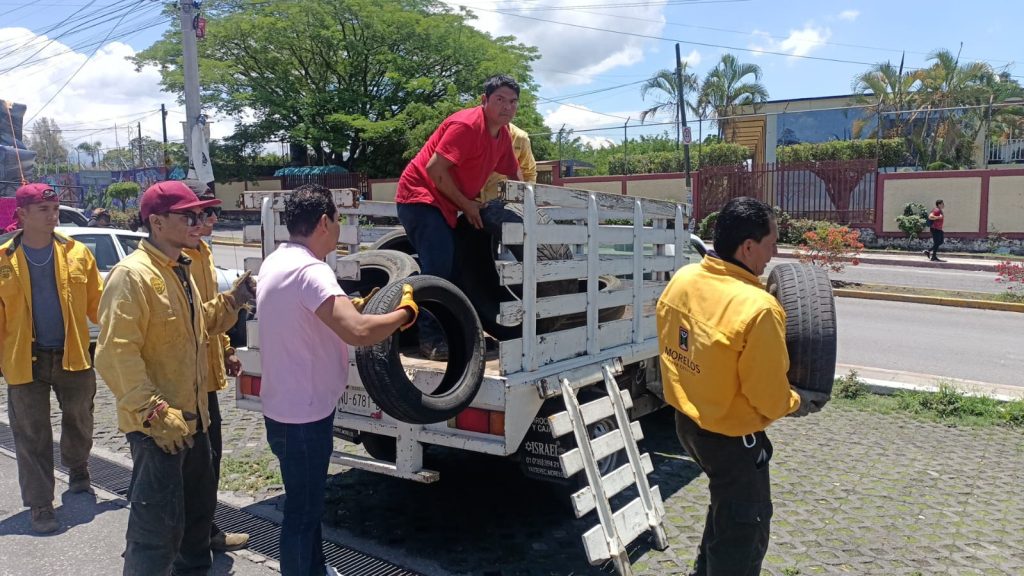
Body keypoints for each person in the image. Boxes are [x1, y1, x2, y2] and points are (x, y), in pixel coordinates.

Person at [656, 196, 828, 576]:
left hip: (687, 425)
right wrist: (798, 402)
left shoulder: (684, 279)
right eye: (772, 243)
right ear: (748, 247)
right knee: (744, 531)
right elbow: (767, 396)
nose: (774, 253)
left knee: (726, 508)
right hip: (731, 440)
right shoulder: (758, 309)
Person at [94, 181, 255, 575]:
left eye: (200, 214)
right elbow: (115, 353)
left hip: (195, 421)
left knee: (196, 524)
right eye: (188, 216)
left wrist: (234, 299)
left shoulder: (181, 268)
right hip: (158, 430)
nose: (198, 222)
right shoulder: (131, 276)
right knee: (155, 534)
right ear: (157, 222)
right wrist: (153, 412)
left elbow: (200, 327)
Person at [257, 183, 418, 576]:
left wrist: (351, 306)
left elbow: (307, 315)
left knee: (306, 505)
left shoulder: (276, 261)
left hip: (283, 409)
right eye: (338, 219)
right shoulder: (313, 271)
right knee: (302, 513)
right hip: (304, 418)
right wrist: (404, 314)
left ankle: (316, 568)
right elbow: (359, 332)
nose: (340, 227)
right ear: (324, 222)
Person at [394, 74, 521, 359]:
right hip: (420, 198)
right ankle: (430, 338)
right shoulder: (466, 126)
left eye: (513, 102)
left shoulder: (502, 135)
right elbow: (434, 170)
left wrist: (527, 207)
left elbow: (514, 174)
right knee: (439, 267)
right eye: (500, 99)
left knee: (460, 269)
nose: (507, 107)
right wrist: (468, 205)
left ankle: (462, 333)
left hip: (448, 205)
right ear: (484, 100)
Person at [0, 183, 103, 534]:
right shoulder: (3, 258)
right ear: (22, 214)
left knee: (80, 418)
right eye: (43, 210)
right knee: (31, 434)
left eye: (55, 208)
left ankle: (78, 466)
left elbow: (99, 304)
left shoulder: (77, 253)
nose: (53, 215)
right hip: (23, 360)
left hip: (73, 354)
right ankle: (40, 504)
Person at [182, 191, 250, 553]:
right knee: (192, 463)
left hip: (205, 376)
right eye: (203, 214)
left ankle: (203, 530)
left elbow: (211, 313)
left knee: (209, 459)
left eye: (211, 213)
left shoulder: (203, 252)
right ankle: (187, 538)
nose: (211, 220)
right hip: (183, 379)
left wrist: (226, 349)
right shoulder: (175, 259)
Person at [478, 121, 537, 203]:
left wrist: (526, 201)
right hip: (471, 198)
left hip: (502, 200)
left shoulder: (521, 138)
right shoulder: (474, 130)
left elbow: (529, 172)